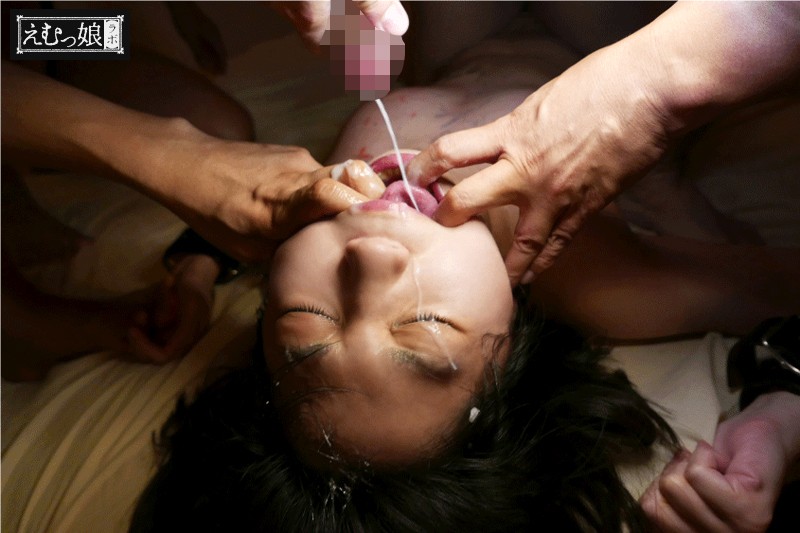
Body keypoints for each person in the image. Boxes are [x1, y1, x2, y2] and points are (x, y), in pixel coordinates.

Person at [130, 25, 800, 531]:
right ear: (512, 351)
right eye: (426, 323)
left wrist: (197, 266)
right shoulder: (600, 278)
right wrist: (783, 416)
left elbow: (237, 206)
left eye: (306, 318)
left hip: (460, 40)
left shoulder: (309, 208)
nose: (370, 256)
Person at [403, 1, 800, 286]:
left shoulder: (364, 171)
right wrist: (650, 118)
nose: (380, 255)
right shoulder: (557, 262)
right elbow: (766, 282)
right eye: (423, 323)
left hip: (467, 54)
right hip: (592, 46)